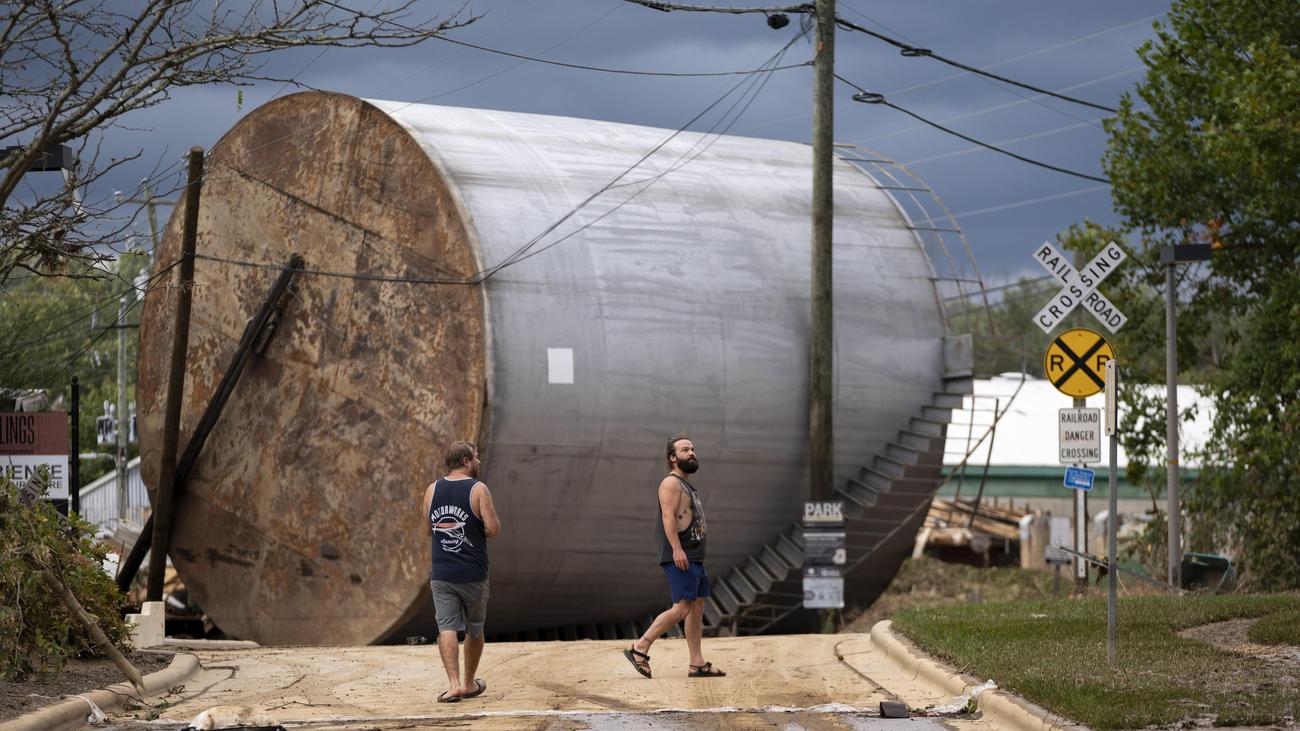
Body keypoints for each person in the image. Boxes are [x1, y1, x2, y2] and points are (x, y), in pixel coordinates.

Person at [622, 433, 726, 679]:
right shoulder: (671, 483)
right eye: (685, 450)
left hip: (694, 556)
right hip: (681, 555)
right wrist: (677, 549)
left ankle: (697, 663)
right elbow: (668, 517)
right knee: (681, 608)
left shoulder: (686, 485)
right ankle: (640, 648)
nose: (691, 453)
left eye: (692, 449)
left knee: (697, 606)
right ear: (672, 457)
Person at [421, 441, 502, 703]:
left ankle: (453, 685)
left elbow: (429, 529)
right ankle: (468, 684)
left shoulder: (432, 490)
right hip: (473, 574)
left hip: (442, 574)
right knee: (474, 629)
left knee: (446, 627)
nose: (479, 461)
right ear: (466, 461)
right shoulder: (478, 489)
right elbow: (493, 528)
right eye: (476, 457)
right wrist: (475, 529)